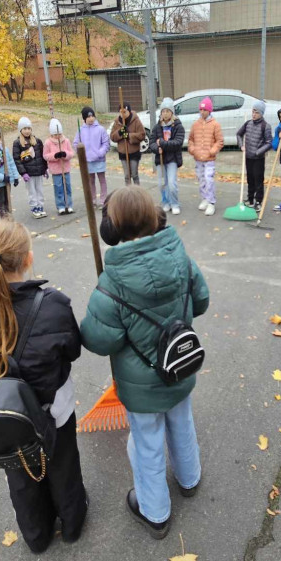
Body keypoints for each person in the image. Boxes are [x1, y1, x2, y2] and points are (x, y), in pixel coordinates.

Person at [79, 187, 210, 538]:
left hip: (140, 387)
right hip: (179, 368)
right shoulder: (180, 258)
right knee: (182, 422)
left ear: (113, 228)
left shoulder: (112, 283)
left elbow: (97, 339)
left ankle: (155, 512)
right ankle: (189, 478)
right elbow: (202, 300)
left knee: (148, 442)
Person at [0, 220, 87, 554]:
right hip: (54, 408)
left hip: (4, 415)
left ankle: (36, 535)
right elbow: (72, 350)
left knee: (19, 473)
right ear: (28, 259)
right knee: (63, 462)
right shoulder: (53, 304)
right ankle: (71, 523)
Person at [187, 97, 223, 217]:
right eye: (200, 109)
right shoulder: (195, 124)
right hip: (198, 158)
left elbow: (219, 141)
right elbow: (191, 140)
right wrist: (193, 150)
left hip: (209, 159)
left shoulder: (215, 125)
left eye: (204, 110)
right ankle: (205, 199)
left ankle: (211, 202)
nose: (202, 112)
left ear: (209, 111)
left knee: (209, 179)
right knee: (201, 179)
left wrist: (212, 151)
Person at [149, 97, 184, 215]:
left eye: (168, 111)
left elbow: (178, 143)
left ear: (172, 113)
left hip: (172, 159)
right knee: (162, 184)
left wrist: (162, 144)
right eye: (163, 111)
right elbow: (152, 142)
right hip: (161, 159)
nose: (165, 113)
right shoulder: (157, 127)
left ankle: (174, 204)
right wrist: (156, 148)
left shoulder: (178, 126)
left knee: (172, 183)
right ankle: (166, 202)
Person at [236, 100, 273, 210]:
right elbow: (239, 134)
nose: (253, 114)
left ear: (261, 113)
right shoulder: (248, 123)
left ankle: (258, 202)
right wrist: (241, 146)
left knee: (258, 180)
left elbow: (269, 143)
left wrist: (258, 152)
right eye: (253, 111)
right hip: (247, 157)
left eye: (256, 112)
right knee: (250, 179)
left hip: (258, 159)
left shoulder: (265, 126)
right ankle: (250, 199)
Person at [12, 117, 49, 219]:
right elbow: (17, 159)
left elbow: (43, 156)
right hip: (29, 173)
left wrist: (45, 169)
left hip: (39, 171)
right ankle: (34, 207)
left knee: (40, 190)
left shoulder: (37, 141)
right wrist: (23, 173)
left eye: (29, 128)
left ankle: (40, 206)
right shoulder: (17, 143)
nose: (27, 131)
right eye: (25, 128)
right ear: (21, 130)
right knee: (31, 191)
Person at [74, 107, 111, 207]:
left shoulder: (100, 129)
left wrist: (100, 153)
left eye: (92, 116)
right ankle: (93, 200)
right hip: (87, 160)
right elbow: (76, 143)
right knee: (90, 181)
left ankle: (103, 200)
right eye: (88, 116)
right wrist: (81, 152)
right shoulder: (80, 130)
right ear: (84, 118)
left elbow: (106, 143)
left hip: (99, 159)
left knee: (102, 180)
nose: (91, 118)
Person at [43, 119, 74, 215]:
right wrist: (55, 156)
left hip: (66, 168)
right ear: (51, 134)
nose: (58, 136)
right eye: (55, 135)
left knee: (67, 187)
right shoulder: (48, 142)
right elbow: (45, 155)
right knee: (58, 188)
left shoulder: (66, 141)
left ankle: (69, 205)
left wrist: (65, 154)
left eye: (59, 134)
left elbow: (71, 153)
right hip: (56, 170)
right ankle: (60, 206)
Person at [110, 103, 145, 186]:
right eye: (120, 112)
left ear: (129, 111)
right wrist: (120, 133)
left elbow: (142, 135)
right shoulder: (117, 122)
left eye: (124, 112)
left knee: (134, 174)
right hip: (123, 152)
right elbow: (112, 137)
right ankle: (128, 194)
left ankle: (138, 193)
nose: (122, 114)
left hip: (134, 152)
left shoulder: (135, 120)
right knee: (127, 176)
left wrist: (129, 135)